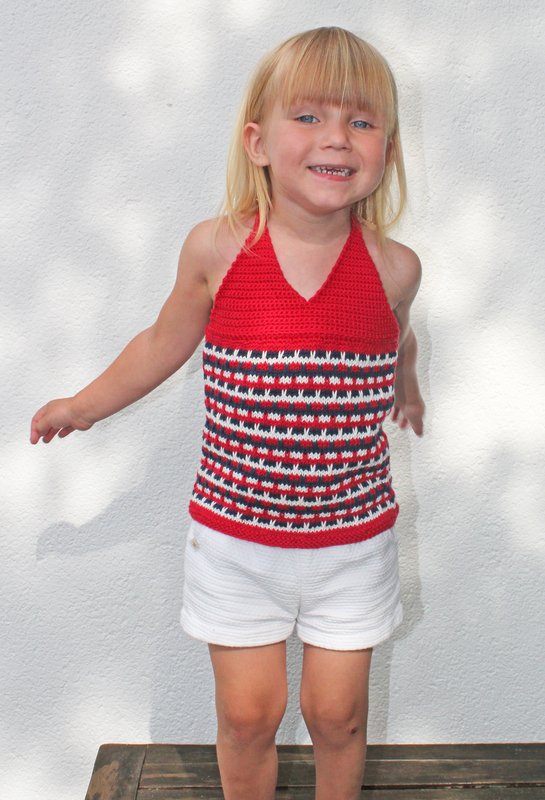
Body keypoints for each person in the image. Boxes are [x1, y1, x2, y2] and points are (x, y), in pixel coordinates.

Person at [30, 26, 425, 800]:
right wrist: (83, 405)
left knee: (336, 714)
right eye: (307, 117)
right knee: (247, 716)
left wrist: (405, 387)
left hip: (351, 539)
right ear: (257, 142)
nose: (335, 137)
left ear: (385, 148)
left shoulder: (394, 267)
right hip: (236, 538)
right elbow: (161, 342)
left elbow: (396, 336)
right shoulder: (217, 250)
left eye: (360, 120)